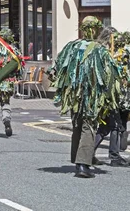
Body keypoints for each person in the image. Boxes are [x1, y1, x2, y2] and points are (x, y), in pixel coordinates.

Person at [49, 17, 120, 178]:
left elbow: (56, 69)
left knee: (77, 125)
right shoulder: (99, 49)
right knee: (89, 126)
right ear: (95, 29)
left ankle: (78, 158)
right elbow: (110, 76)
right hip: (91, 95)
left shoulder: (71, 47)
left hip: (74, 95)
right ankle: (83, 164)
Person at [92, 27, 130, 167]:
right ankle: (114, 156)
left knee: (107, 126)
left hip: (105, 94)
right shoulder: (104, 52)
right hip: (108, 95)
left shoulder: (100, 50)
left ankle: (90, 153)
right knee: (113, 124)